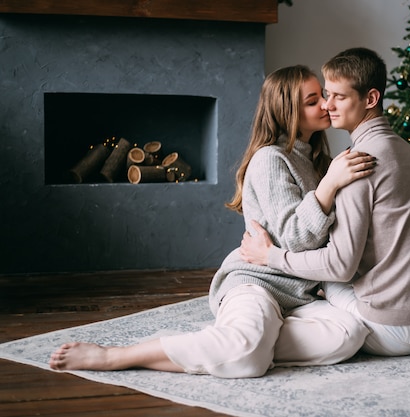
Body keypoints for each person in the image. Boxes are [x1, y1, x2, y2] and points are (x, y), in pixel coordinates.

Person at [49, 65, 376, 377]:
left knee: (350, 334)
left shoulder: (319, 161)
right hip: (257, 282)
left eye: (324, 94)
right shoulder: (269, 160)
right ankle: (115, 356)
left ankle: (241, 343)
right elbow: (294, 238)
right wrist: (330, 185)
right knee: (248, 361)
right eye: (313, 99)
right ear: (286, 112)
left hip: (301, 293)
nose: (327, 103)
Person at [240, 48, 410, 357]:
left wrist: (271, 256)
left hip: (395, 331)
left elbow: (340, 266)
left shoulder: (357, 164)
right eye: (323, 96)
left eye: (337, 97)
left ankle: (256, 336)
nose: (328, 106)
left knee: (324, 286)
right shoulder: (408, 151)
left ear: (370, 99)